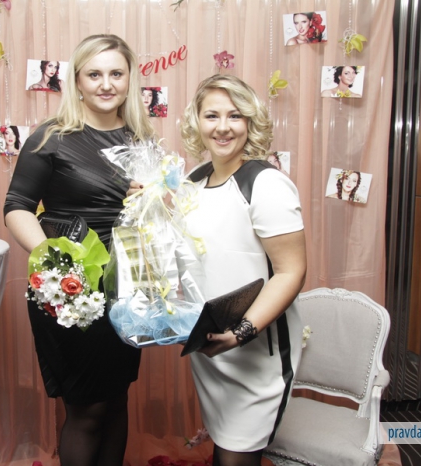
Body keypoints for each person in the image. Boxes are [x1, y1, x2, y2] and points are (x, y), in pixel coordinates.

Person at [4, 34, 155, 466]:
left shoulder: (140, 138)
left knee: (117, 399)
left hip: (125, 285)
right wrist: (54, 260)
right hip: (70, 286)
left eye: (116, 73)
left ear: (129, 80)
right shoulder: (51, 137)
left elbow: (154, 215)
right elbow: (16, 207)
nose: (106, 84)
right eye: (94, 74)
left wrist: (155, 199)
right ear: (77, 81)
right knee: (87, 408)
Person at [179, 75, 307, 466]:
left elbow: (291, 272)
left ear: (250, 121)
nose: (223, 127)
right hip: (211, 347)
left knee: (236, 456)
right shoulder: (193, 181)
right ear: (197, 121)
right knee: (223, 447)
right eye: (212, 115)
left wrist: (241, 332)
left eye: (235, 115)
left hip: (256, 350)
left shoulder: (266, 183)